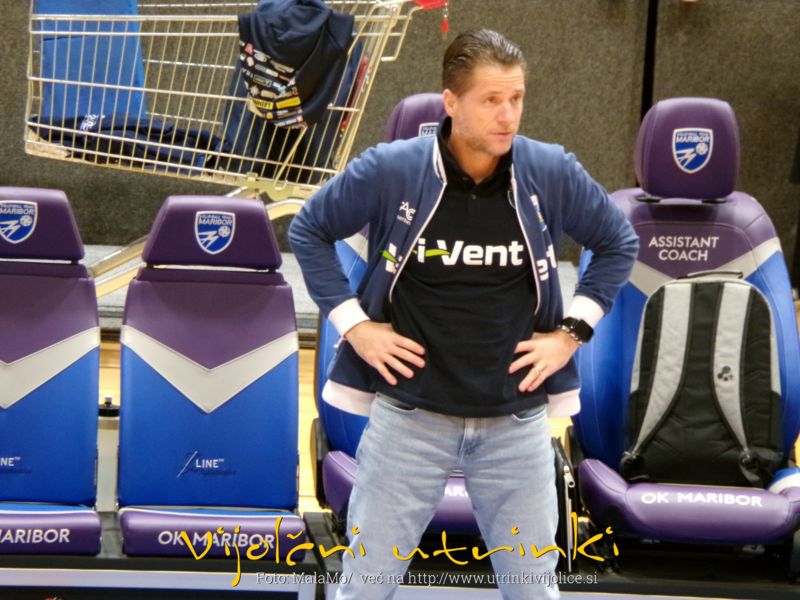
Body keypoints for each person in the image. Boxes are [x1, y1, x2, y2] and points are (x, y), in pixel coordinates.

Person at [289, 29, 638, 600]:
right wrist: (355, 327)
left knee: (534, 592)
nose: (508, 115)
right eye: (491, 100)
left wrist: (571, 333)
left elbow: (618, 241)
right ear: (451, 102)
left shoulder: (548, 170)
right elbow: (309, 229)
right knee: (365, 589)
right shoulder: (393, 169)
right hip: (410, 420)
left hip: (516, 423)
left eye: (516, 98)